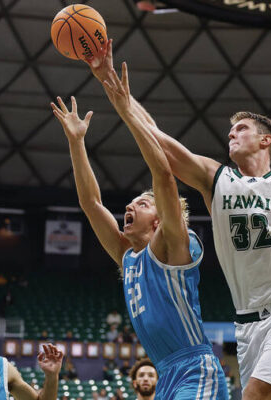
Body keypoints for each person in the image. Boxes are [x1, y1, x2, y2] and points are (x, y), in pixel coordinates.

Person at [85, 40, 271, 399]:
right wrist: (113, 89)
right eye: (230, 131)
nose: (231, 134)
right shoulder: (218, 180)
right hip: (247, 324)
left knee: (255, 395)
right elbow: (160, 142)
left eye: (240, 128)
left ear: (265, 140)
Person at [51, 77, 228, 398]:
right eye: (131, 204)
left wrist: (127, 113)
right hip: (166, 374)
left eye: (143, 203)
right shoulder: (128, 255)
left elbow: (163, 174)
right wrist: (76, 142)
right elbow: (91, 204)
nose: (130, 206)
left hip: (195, 369)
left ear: (159, 219)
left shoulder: (173, 244)